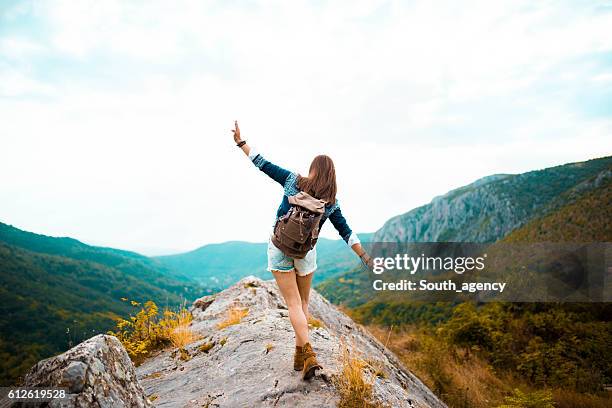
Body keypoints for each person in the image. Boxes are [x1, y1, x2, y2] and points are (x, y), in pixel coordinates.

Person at [231, 120, 373, 380]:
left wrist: (241, 143)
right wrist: (363, 254)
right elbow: (346, 231)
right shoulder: (330, 202)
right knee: (304, 302)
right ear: (332, 175)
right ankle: (302, 354)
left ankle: (305, 353)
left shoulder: (292, 181)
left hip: (279, 248)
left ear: (313, 170)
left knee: (293, 303)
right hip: (305, 254)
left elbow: (262, 163)